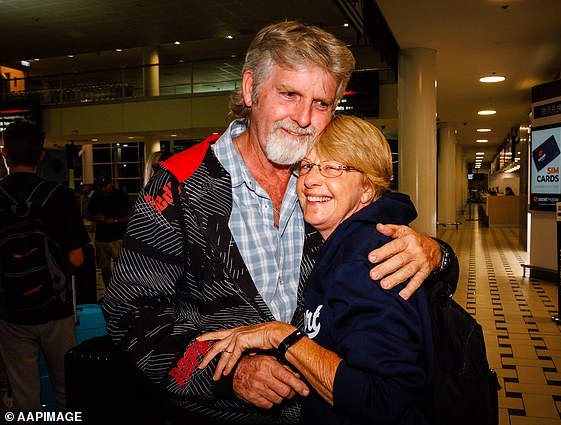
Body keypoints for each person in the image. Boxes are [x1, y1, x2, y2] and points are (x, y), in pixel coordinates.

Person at [101, 20, 455, 424]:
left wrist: (436, 254)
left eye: (321, 103)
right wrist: (230, 373)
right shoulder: (178, 186)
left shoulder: (328, 184)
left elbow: (397, 263)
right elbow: (131, 314)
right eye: (289, 94)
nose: (304, 118)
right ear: (251, 89)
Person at [198, 114, 454, 424]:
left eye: (333, 167)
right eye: (306, 166)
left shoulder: (366, 260)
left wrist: (281, 336)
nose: (310, 180)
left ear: (367, 190)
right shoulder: (339, 242)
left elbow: (382, 396)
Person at [0, 119, 90, 411]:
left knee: (25, 397)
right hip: (57, 311)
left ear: (5, 154)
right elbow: (77, 258)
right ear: (41, 155)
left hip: (10, 314)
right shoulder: (60, 196)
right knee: (68, 389)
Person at [87, 173, 131, 288]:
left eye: (104, 186)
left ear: (111, 184)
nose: (103, 189)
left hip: (117, 237)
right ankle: (109, 291)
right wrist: (97, 217)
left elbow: (129, 215)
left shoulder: (121, 196)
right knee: (104, 268)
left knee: (121, 267)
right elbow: (89, 213)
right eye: (100, 187)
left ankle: (122, 291)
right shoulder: (96, 196)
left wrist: (116, 220)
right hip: (101, 238)